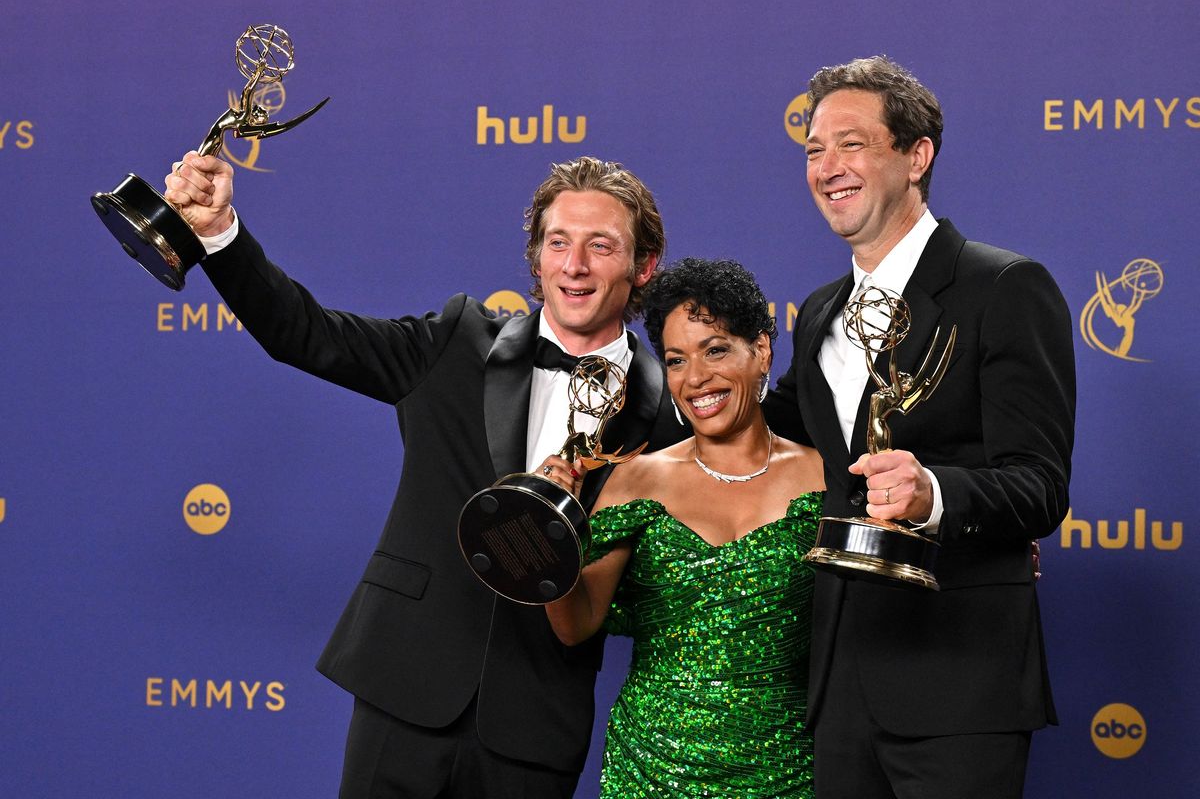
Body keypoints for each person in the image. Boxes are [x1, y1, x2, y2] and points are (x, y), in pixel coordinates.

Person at [162, 152, 686, 798]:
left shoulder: (668, 421)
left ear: (644, 266)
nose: (574, 266)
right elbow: (303, 332)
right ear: (537, 257)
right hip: (404, 688)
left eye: (600, 246)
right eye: (558, 242)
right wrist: (217, 233)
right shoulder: (459, 342)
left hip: (536, 724)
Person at [765, 56, 1076, 798]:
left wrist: (932, 490)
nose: (827, 167)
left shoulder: (1003, 287)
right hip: (838, 684)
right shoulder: (817, 316)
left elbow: (1038, 486)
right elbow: (761, 436)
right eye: (813, 149)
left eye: (851, 144)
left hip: (957, 687)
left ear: (916, 155)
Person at [541, 258, 825, 797]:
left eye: (715, 350)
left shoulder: (825, 480)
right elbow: (574, 625)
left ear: (761, 350)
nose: (695, 378)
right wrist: (550, 538)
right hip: (650, 770)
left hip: (786, 772)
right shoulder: (636, 480)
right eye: (676, 360)